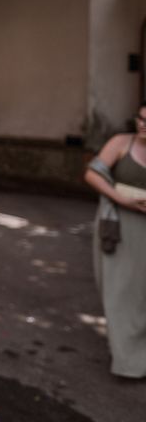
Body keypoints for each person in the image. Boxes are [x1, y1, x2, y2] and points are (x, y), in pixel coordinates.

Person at [84, 102, 146, 378]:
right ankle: (128, 361)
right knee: (121, 291)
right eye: (141, 119)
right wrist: (123, 200)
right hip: (119, 224)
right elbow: (92, 174)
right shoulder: (121, 142)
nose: (143, 125)